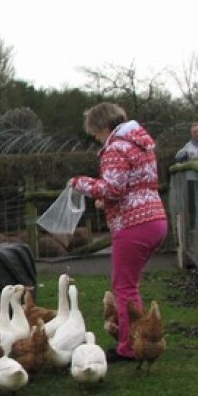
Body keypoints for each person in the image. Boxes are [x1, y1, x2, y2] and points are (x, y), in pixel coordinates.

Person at [68, 102, 168, 363]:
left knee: (123, 287)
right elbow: (135, 185)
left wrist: (81, 183)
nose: (96, 138)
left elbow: (114, 188)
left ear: (102, 126)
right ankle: (142, 336)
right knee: (130, 285)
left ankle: (127, 347)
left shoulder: (115, 147)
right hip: (155, 219)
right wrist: (108, 201)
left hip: (133, 224)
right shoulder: (141, 144)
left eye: (96, 133)